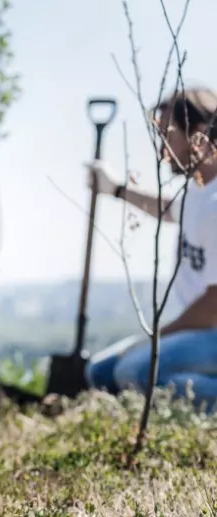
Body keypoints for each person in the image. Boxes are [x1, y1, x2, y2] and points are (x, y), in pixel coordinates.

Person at [84, 87, 217, 413]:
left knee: (134, 370)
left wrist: (157, 337)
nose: (162, 152)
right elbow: (168, 209)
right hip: (202, 333)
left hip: (212, 331)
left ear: (199, 134)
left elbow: (214, 306)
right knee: (100, 371)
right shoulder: (198, 192)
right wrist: (115, 189)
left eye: (168, 138)